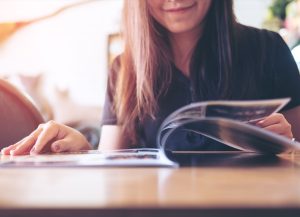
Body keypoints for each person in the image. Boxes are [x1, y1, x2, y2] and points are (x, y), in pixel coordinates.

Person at [2, 0, 300, 155]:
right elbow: (112, 163)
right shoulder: (124, 68)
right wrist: (80, 147)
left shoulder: (269, 49)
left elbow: (297, 146)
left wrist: (288, 144)